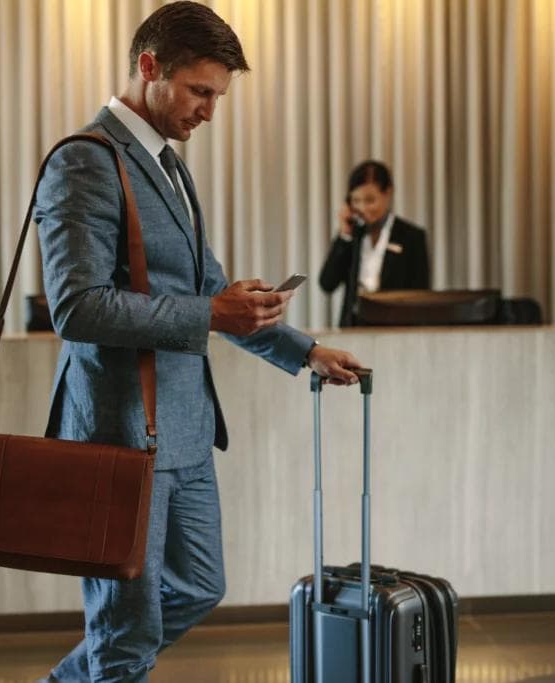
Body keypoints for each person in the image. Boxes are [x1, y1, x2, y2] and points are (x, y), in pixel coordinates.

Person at [33, 3, 362, 681]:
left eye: (218, 95)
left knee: (200, 587)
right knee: (126, 629)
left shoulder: (169, 165)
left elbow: (206, 288)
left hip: (183, 429)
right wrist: (209, 311)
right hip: (119, 433)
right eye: (200, 91)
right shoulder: (86, 161)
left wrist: (305, 351)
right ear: (150, 68)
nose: (210, 110)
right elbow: (76, 306)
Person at [318, 161, 431, 326]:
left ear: (387, 193)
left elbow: (420, 294)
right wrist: (345, 235)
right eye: (356, 201)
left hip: (396, 327)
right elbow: (327, 284)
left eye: (370, 200)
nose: (363, 208)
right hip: (354, 328)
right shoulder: (351, 235)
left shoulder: (411, 236)